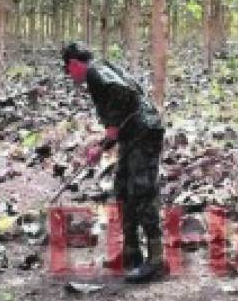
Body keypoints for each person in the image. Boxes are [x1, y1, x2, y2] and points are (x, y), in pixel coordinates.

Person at [62, 42, 166, 284]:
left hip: (144, 133)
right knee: (122, 191)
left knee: (142, 192)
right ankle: (131, 254)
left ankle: (156, 260)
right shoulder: (102, 68)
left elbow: (124, 96)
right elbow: (124, 106)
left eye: (68, 70)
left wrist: (105, 139)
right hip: (134, 134)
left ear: (75, 64)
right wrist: (106, 141)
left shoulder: (95, 74)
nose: (71, 76)